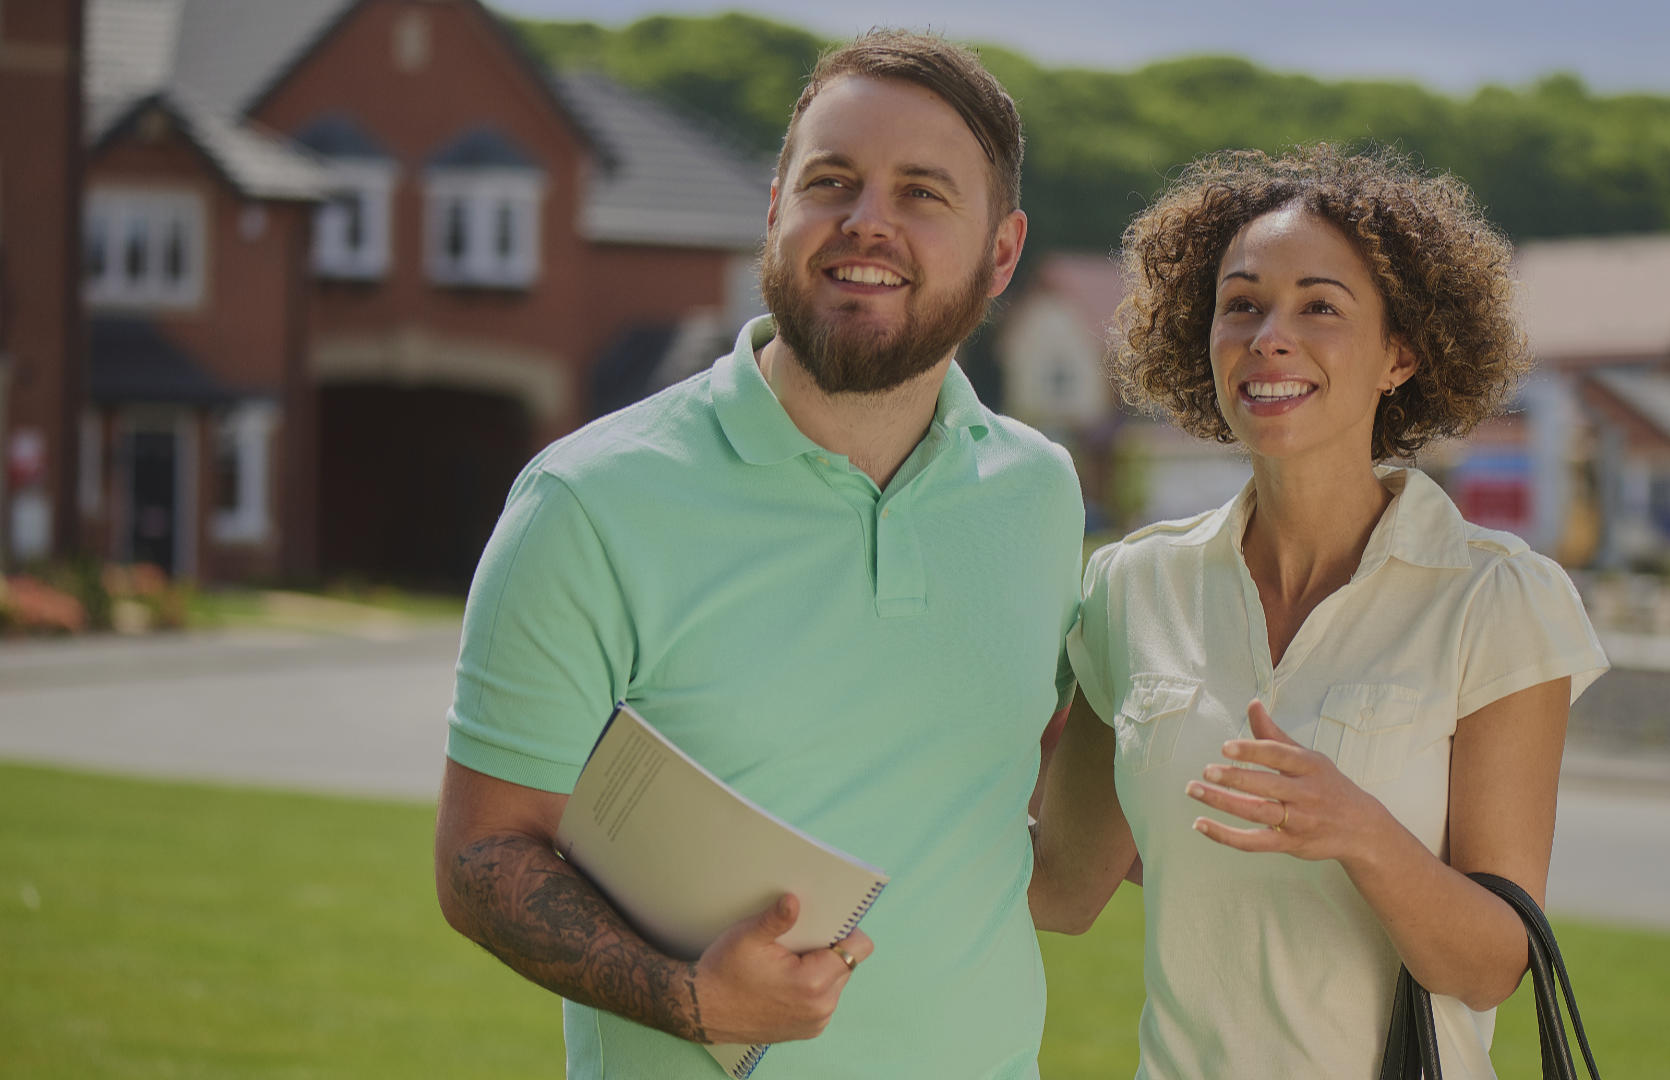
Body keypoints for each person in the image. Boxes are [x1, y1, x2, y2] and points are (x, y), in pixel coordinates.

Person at [433, 31, 1084, 1080]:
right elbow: (479, 857)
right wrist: (690, 998)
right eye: (832, 181)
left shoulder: (1040, 494)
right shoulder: (589, 503)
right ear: (774, 206)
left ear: (1001, 253)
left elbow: (1052, 765)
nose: (866, 220)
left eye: (923, 193)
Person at [1029, 145, 1608, 1078]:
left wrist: (1361, 833)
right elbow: (1061, 886)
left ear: (1400, 355)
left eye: (1320, 307)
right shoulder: (1133, 587)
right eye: (1242, 303)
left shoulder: (1497, 598)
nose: (1269, 336)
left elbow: (1493, 965)